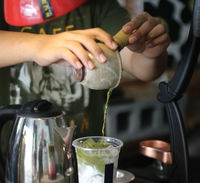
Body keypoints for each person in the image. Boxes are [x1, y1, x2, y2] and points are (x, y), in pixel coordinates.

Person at [0, 0, 170, 138]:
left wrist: (150, 54)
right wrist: (38, 45)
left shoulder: (98, 7)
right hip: (18, 155)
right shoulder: (6, 9)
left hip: (84, 155)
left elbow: (140, 66)